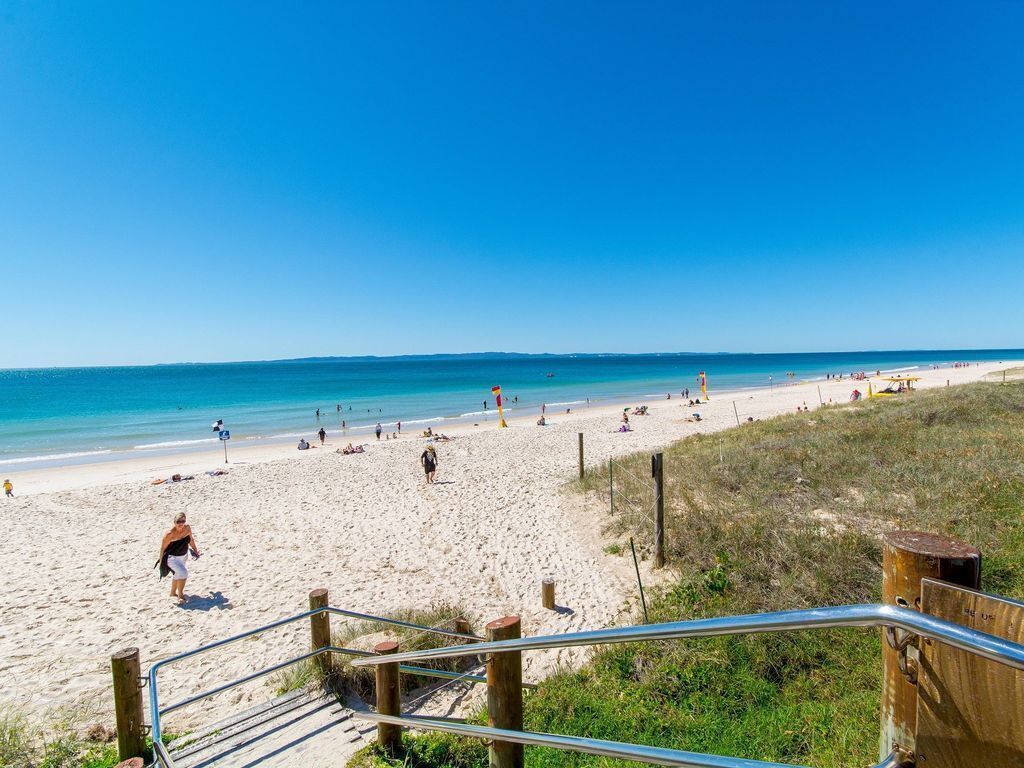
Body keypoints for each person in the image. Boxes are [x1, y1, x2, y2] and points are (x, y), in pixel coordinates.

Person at [157, 512, 200, 605]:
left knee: (178, 574)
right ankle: (180, 595)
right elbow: (162, 548)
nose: (181, 523)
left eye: (183, 521)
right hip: (171, 558)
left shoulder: (187, 528)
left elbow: (191, 540)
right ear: (174, 522)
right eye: (178, 521)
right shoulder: (169, 534)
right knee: (183, 573)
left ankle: (172, 593)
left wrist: (195, 550)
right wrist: (161, 563)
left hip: (183, 556)